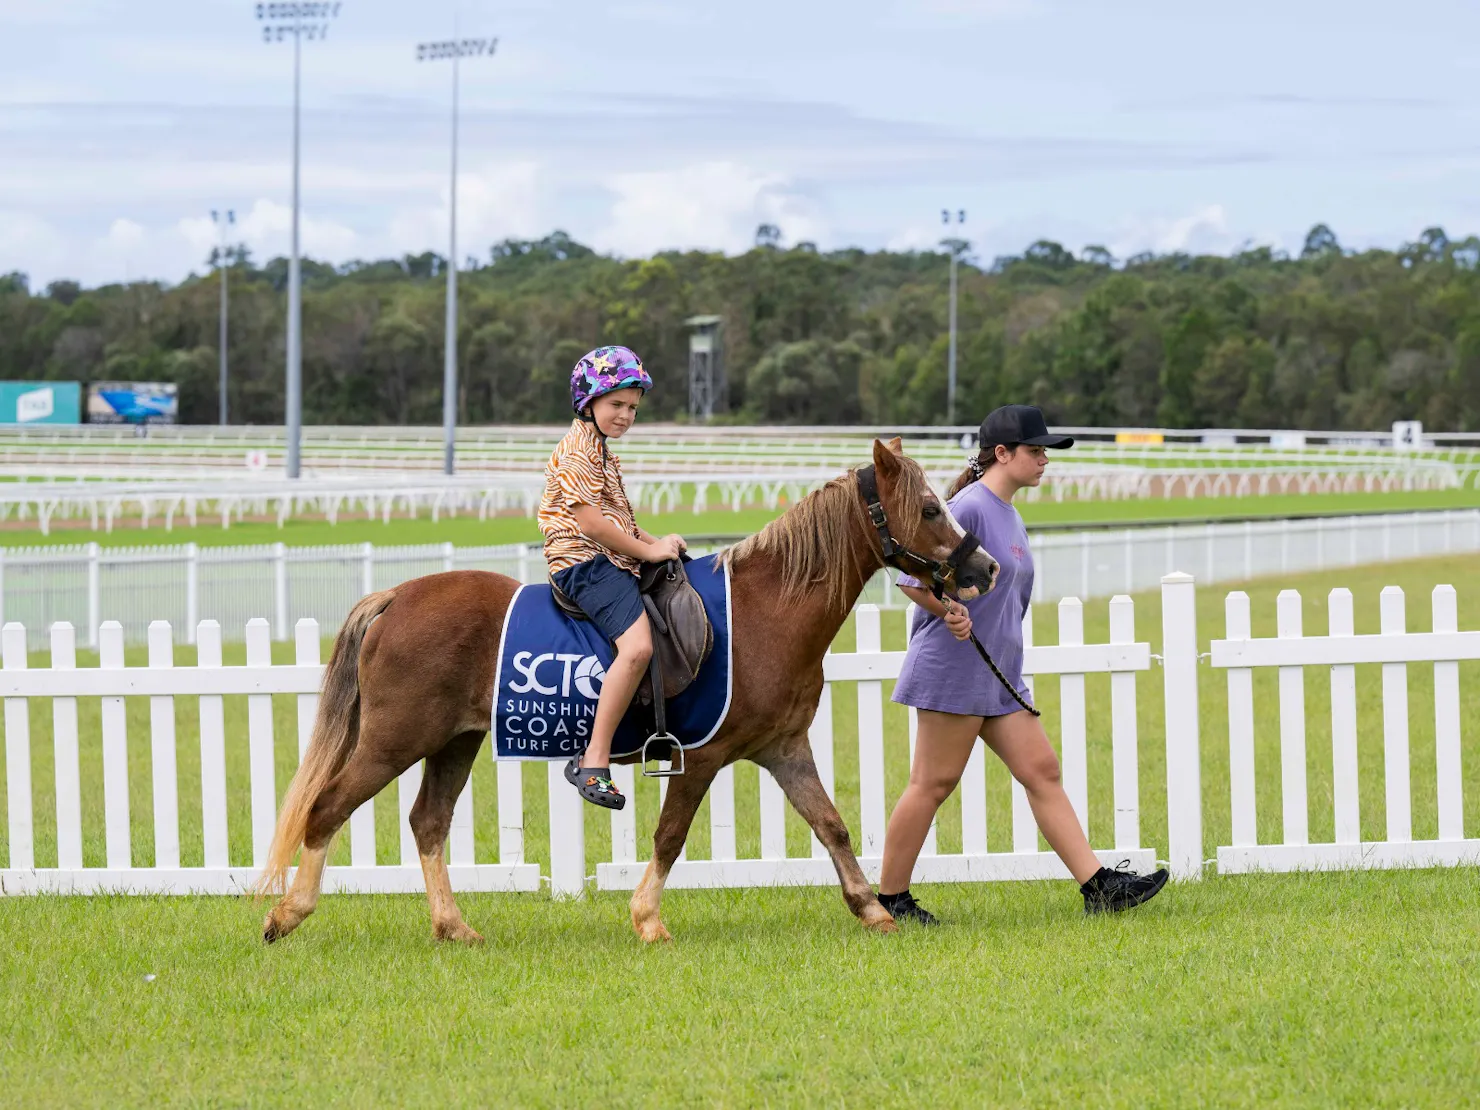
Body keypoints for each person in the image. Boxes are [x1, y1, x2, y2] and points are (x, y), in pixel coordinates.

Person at [877, 404, 1169, 923]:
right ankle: (890, 900)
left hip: (998, 673)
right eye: (1035, 451)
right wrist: (948, 610)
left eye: (1045, 453)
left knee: (1042, 771)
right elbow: (909, 580)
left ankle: (1099, 887)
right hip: (954, 667)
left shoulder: (1007, 513)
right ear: (1002, 454)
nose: (1044, 460)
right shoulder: (968, 508)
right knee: (932, 784)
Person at [538, 345, 686, 811]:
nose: (625, 416)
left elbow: (618, 520)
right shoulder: (579, 450)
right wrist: (646, 550)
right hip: (582, 562)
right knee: (639, 646)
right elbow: (594, 526)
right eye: (617, 405)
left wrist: (656, 541)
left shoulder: (603, 451)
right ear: (589, 402)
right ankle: (594, 760)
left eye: (633, 408)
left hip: (608, 555)